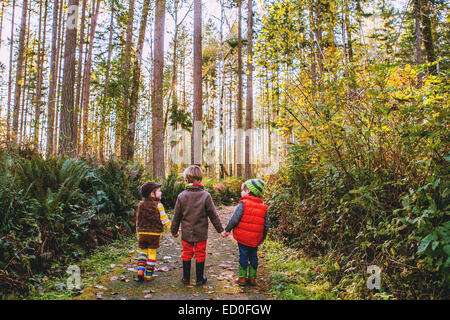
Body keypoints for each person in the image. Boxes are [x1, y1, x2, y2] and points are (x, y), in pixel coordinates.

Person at [171, 165, 227, 285]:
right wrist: (220, 230)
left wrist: (174, 230)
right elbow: (213, 215)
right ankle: (199, 279)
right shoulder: (206, 195)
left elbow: (176, 216)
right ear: (200, 180)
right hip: (201, 233)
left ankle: (186, 278)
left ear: (186, 180)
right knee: (200, 253)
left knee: (186, 253)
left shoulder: (181, 196)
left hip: (186, 232)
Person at [223, 179, 269, 286]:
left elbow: (234, 219)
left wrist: (227, 230)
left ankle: (242, 278)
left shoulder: (243, 203)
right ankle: (252, 278)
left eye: (243, 190)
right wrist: (263, 237)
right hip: (255, 238)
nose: (241, 192)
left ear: (248, 191)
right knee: (253, 256)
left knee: (243, 255)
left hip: (243, 238)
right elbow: (266, 225)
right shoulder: (264, 207)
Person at [135, 182, 171, 282]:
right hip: (154, 234)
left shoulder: (140, 204)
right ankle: (149, 275)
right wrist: (171, 229)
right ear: (152, 194)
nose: (161, 192)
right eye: (159, 191)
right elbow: (164, 219)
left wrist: (138, 231)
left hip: (142, 233)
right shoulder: (159, 205)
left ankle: (140, 271)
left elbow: (138, 219)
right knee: (151, 254)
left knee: (143, 252)